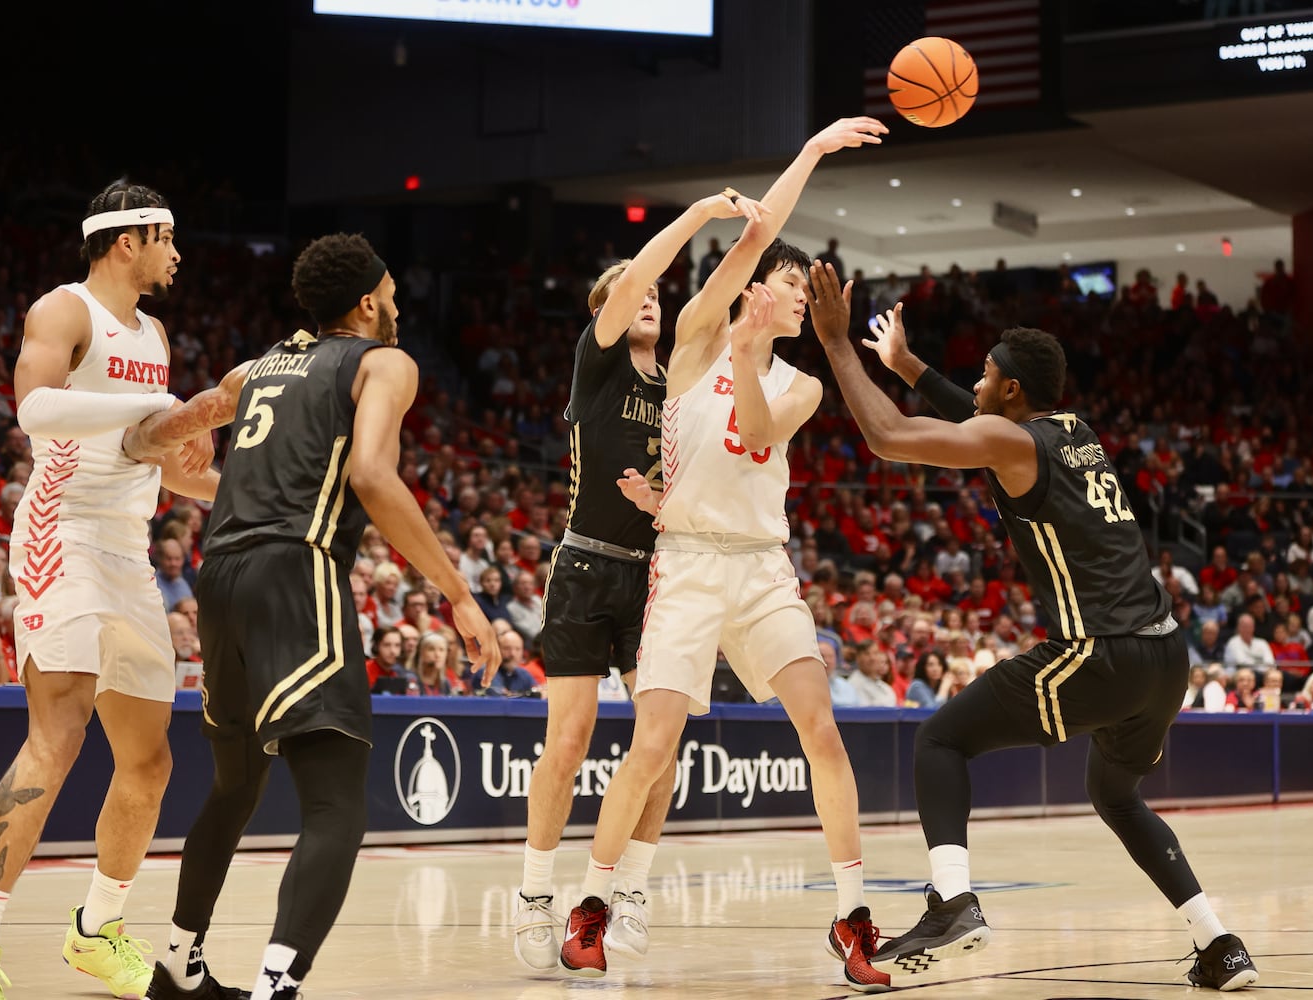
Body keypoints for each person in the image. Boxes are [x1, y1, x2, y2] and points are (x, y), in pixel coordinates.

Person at [808, 271, 1257, 992]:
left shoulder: (1015, 442)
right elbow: (976, 421)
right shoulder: (1073, 431)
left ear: (1012, 391)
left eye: (985, 374)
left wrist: (836, 343)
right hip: (1167, 655)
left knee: (940, 740)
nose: (976, 381)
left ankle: (952, 902)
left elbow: (889, 436)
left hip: (1099, 653)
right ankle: (1219, 942)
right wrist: (906, 365)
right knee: (1115, 794)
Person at [560, 116, 891, 993]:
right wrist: (812, 151)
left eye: (790, 283)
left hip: (762, 569)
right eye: (777, 277)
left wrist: (752, 357)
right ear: (751, 292)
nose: (784, 284)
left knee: (821, 729)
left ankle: (852, 918)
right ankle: (591, 906)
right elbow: (754, 232)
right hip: (688, 563)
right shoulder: (697, 338)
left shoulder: (803, 382)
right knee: (654, 746)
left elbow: (752, 436)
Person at [123, 233, 500, 1000]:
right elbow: (369, 473)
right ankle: (276, 988)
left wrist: (148, 450)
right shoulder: (384, 363)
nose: (396, 305)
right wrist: (458, 593)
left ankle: (177, 962)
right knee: (334, 802)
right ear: (367, 301)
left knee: (235, 787)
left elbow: (157, 435)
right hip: (298, 574)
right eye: (391, 292)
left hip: (220, 580)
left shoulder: (255, 369)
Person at [0, 180, 223, 1000]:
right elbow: (33, 408)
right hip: (57, 536)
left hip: (127, 550)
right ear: (125, 239)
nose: (177, 252)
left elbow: (150, 451)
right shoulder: (62, 310)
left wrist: (243, 483)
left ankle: (97, 932)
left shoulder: (158, 335)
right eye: (166, 236)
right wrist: (163, 403)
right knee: (58, 737)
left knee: (149, 760)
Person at [514, 187, 767, 970]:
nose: (651, 299)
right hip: (587, 564)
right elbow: (632, 284)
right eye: (638, 294)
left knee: (662, 747)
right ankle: (532, 896)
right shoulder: (598, 364)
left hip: (661, 575)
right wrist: (695, 220)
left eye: (660, 293)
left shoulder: (683, 385)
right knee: (570, 742)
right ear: (610, 311)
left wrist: (664, 500)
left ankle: (631, 890)